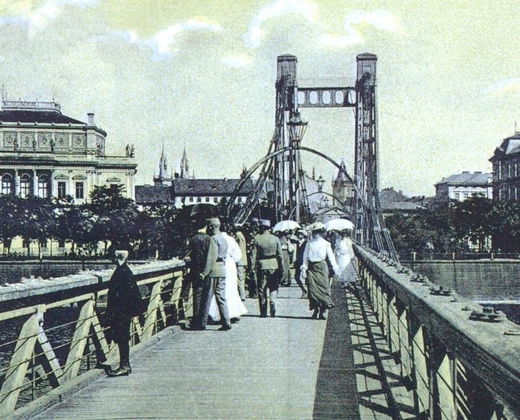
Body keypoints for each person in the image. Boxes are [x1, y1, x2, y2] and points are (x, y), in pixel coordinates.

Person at [106, 250, 144, 376]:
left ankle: (124, 366)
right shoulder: (126, 271)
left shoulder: (122, 272)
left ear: (117, 258)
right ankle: (125, 365)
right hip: (124, 310)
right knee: (122, 337)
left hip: (121, 310)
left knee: (122, 338)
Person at [209, 223, 248, 322]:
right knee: (231, 289)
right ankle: (233, 313)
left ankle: (218, 314)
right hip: (230, 266)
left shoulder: (214, 238)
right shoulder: (231, 239)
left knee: (219, 290)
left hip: (219, 264)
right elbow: (238, 255)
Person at [199, 218, 232, 331]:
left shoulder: (213, 239)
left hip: (214, 270)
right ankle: (226, 321)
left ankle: (201, 323)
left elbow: (211, 257)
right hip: (222, 269)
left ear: (212, 227)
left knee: (207, 297)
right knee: (221, 297)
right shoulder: (223, 239)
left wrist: (204, 272)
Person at [301, 223, 338, 320]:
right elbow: (305, 256)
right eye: (314, 232)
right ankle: (315, 310)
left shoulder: (326, 244)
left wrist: (335, 268)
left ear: (321, 233)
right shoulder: (309, 243)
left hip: (321, 268)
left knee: (323, 289)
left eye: (318, 232)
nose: (316, 234)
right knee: (312, 290)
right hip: (311, 268)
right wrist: (304, 267)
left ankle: (322, 312)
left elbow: (331, 257)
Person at [251, 219, 284, 317]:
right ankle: (273, 301)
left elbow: (253, 255)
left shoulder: (257, 239)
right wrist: (281, 267)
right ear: (269, 228)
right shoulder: (275, 239)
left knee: (262, 289)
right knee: (273, 286)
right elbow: (280, 255)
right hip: (274, 264)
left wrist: (252, 268)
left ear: (261, 227)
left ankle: (263, 311)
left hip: (262, 265)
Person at [185, 220, 212, 330]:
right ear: (206, 227)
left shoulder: (192, 239)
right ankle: (203, 320)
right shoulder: (209, 239)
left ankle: (196, 320)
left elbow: (187, 255)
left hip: (195, 270)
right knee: (206, 295)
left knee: (197, 295)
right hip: (207, 270)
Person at [234, 225, 248, 301]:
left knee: (240, 279)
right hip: (243, 260)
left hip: (239, 261)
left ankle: (242, 295)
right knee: (241, 278)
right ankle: (242, 294)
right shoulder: (241, 236)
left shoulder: (238, 237)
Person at [294, 229, 308, 298]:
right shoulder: (297, 242)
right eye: (298, 234)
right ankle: (303, 289)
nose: (299, 235)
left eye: (301, 234)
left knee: (306, 278)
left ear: (304, 235)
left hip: (304, 261)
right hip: (298, 261)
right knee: (296, 277)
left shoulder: (306, 243)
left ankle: (308, 292)